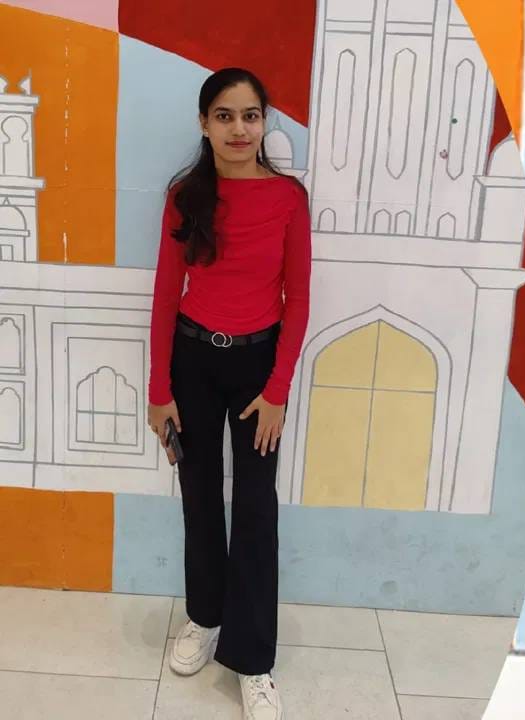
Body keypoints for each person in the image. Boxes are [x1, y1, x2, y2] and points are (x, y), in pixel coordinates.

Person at [146, 67, 311, 720]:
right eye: (224, 115)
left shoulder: (287, 199)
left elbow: (298, 299)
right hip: (192, 362)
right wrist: (159, 390)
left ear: (264, 121)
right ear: (204, 123)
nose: (238, 129)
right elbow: (166, 294)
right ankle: (204, 617)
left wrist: (277, 391)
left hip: (257, 370)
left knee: (256, 505)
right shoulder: (185, 196)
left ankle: (253, 658)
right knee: (198, 495)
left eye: (250, 115)